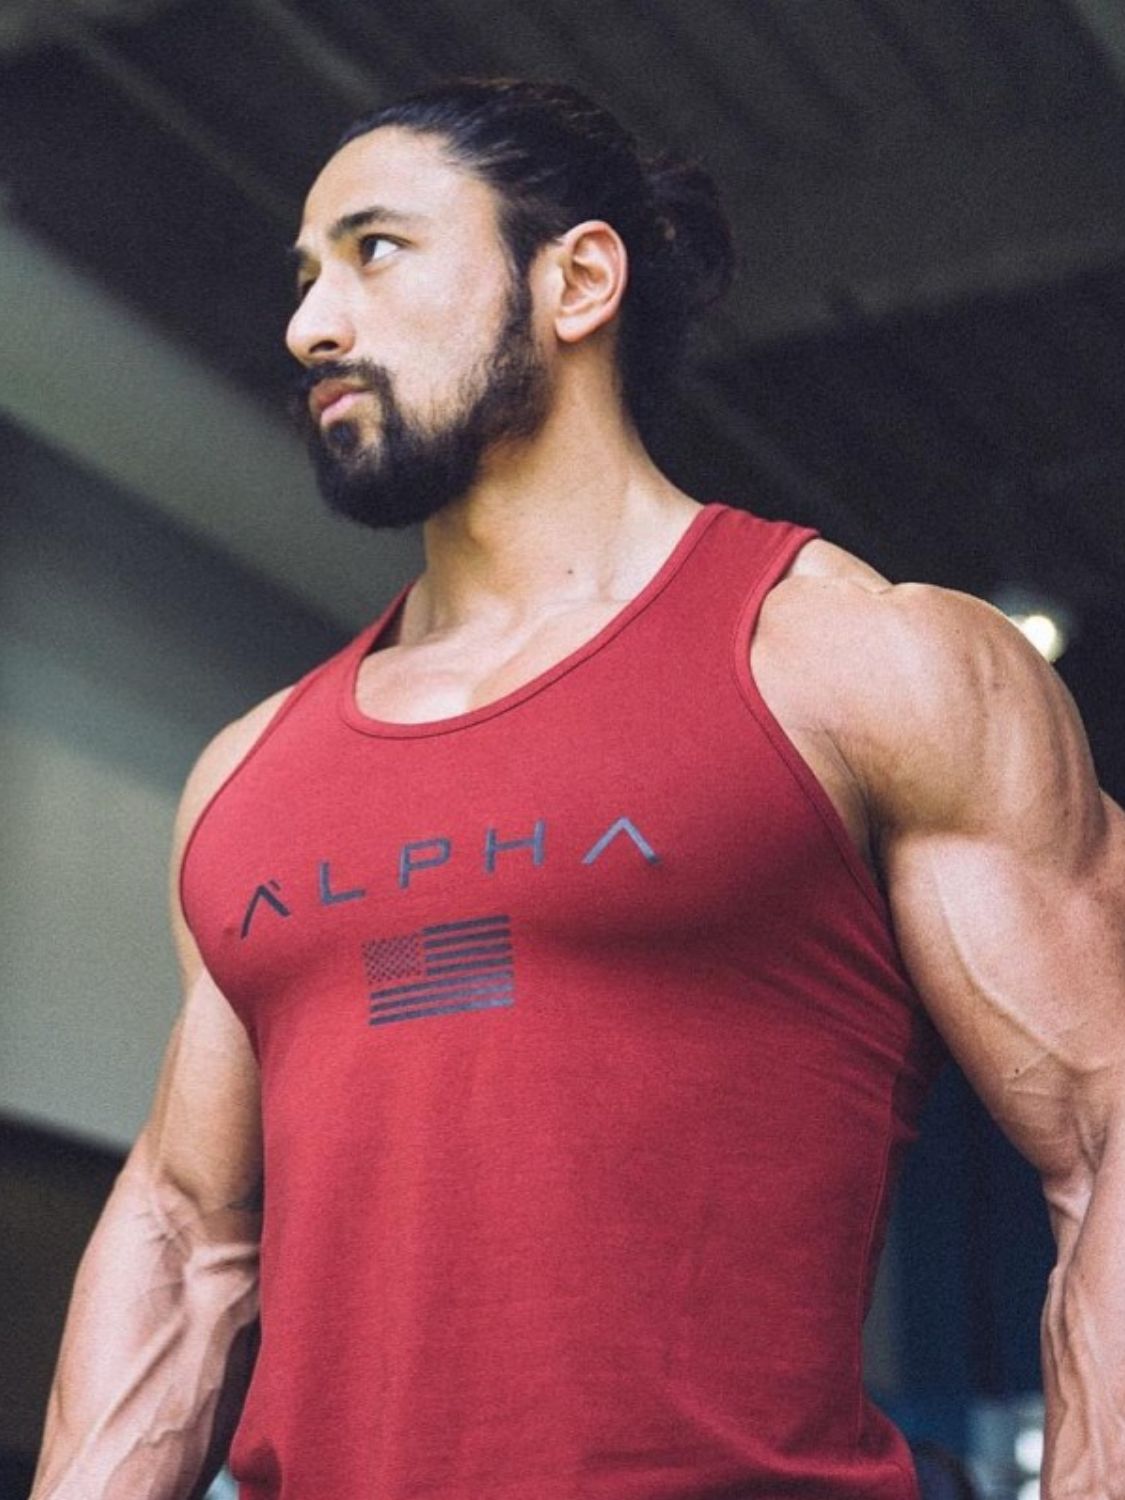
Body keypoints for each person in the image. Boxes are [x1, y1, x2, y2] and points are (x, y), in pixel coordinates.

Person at [31, 78, 1125, 1500]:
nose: (310, 327)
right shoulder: (250, 773)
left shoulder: (857, 662)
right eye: (304, 278)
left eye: (374, 251)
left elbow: (1107, 1134)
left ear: (579, 281)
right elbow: (187, 1237)